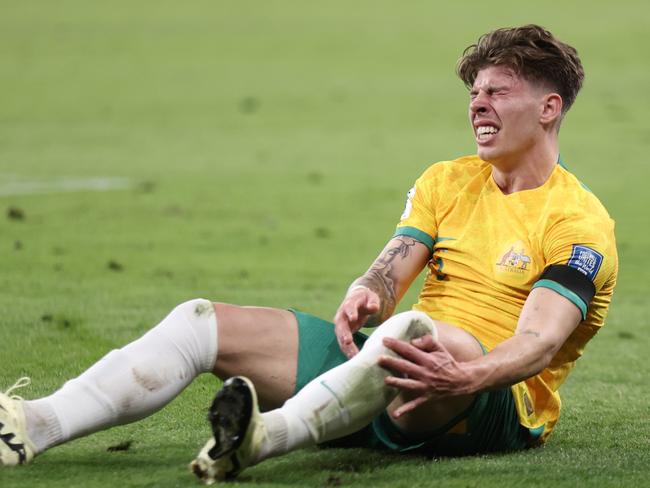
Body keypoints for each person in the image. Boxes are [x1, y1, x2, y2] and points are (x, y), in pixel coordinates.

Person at [0, 24, 617, 485]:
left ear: (548, 107)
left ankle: (262, 438)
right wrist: (365, 291)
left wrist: (462, 376)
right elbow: (391, 267)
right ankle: (37, 423)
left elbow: (537, 341)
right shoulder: (446, 181)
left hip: (482, 398)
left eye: (497, 92)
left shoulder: (579, 223)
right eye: (474, 92)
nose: (477, 104)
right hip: (384, 363)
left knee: (417, 332)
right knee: (201, 321)